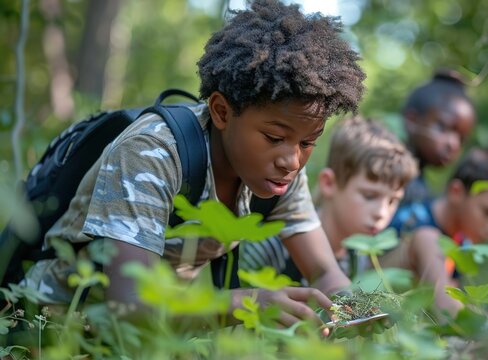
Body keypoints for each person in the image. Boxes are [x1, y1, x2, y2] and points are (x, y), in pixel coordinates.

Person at [18, 0, 366, 328]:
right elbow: (128, 307)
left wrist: (363, 312)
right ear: (221, 111)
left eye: (307, 143)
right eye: (275, 138)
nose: (292, 160)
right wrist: (244, 305)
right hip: (49, 326)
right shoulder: (153, 152)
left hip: (154, 332)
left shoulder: (278, 174)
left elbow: (326, 274)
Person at [240, 116, 418, 281]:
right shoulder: (272, 246)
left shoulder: (357, 257)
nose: (381, 213)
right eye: (369, 196)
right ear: (329, 183)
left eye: (393, 201)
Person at [380, 146, 488, 316]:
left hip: (406, 319)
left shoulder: (461, 243)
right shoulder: (413, 220)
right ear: (456, 192)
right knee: (428, 240)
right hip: (370, 300)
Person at [389, 69, 477, 237]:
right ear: (411, 120)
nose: (453, 144)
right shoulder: (383, 172)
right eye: (443, 128)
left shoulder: (421, 189)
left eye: (462, 138)